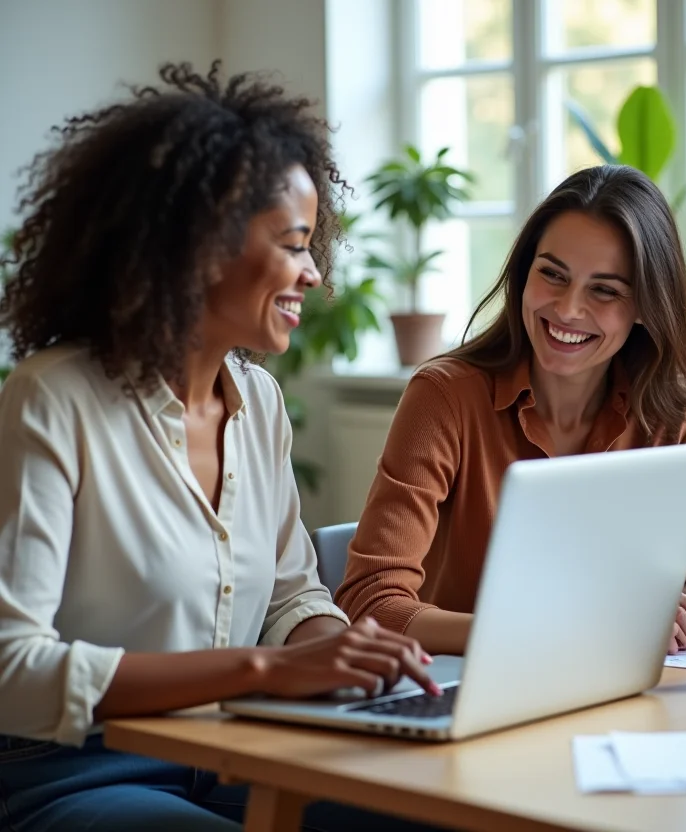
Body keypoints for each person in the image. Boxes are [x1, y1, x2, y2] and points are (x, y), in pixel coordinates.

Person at [0, 62, 443, 831]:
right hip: (73, 773)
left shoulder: (259, 402)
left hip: (242, 749)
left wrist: (344, 657)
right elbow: (11, 670)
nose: (315, 274)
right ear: (202, 246)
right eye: (295, 245)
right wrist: (270, 669)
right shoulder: (52, 399)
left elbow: (289, 594)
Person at [336, 165, 686, 655]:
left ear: (644, 306)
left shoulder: (665, 416)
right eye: (552, 274)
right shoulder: (445, 397)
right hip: (463, 694)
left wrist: (677, 606)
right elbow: (370, 602)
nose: (568, 309)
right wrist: (558, 631)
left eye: (605, 290)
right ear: (523, 274)